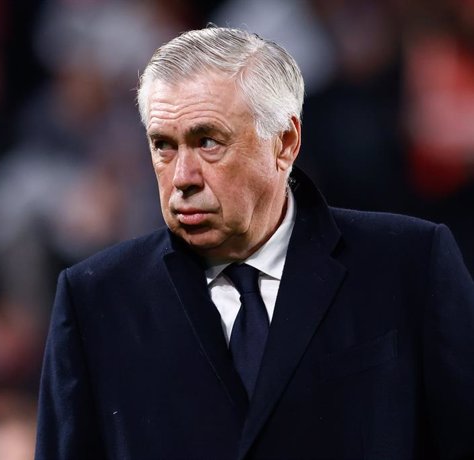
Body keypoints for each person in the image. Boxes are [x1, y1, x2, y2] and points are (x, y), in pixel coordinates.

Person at [34, 26, 474, 459]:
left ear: (285, 143)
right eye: (164, 146)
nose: (182, 178)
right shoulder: (96, 299)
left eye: (208, 142)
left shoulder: (410, 264)